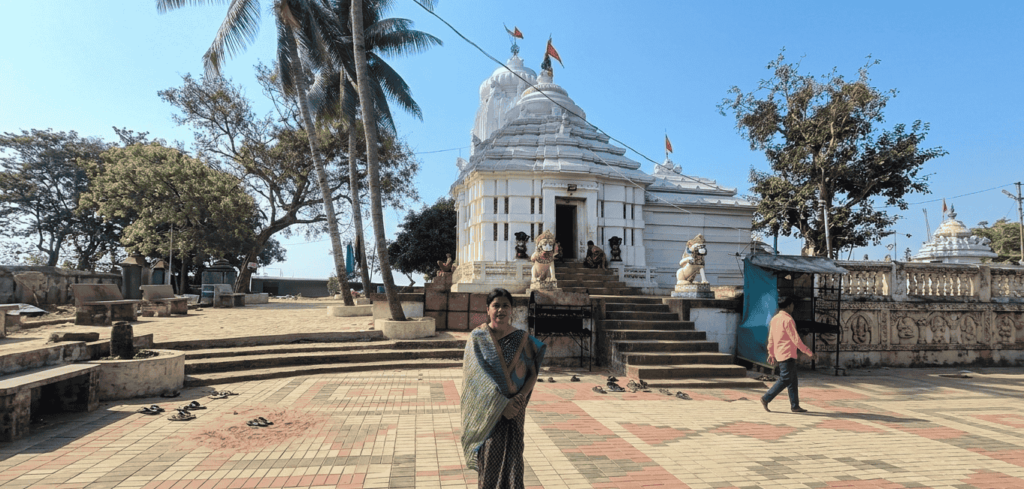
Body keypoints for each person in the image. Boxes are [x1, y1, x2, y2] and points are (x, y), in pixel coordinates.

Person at [461, 288, 546, 488]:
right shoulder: (478, 338)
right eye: (496, 305)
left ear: (512, 309)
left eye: (505, 305)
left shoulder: (522, 338)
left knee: (514, 465)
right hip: (490, 413)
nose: (501, 310)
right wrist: (501, 406)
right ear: (487, 309)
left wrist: (520, 398)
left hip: (515, 411)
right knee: (490, 465)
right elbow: (475, 380)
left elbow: (532, 373)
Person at [761, 296, 816, 413]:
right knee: (786, 378)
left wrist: (771, 353)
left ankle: (795, 405)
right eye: (792, 305)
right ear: (789, 306)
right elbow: (796, 339)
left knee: (792, 380)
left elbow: (771, 338)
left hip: (781, 353)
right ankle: (766, 398)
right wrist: (809, 352)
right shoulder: (788, 320)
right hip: (787, 353)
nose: (793, 308)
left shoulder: (774, 319)